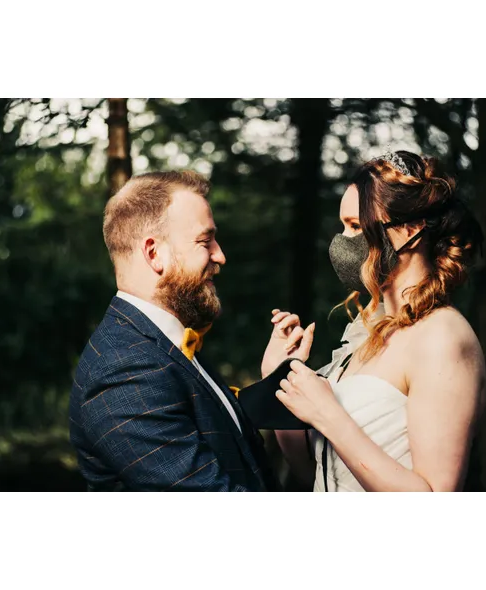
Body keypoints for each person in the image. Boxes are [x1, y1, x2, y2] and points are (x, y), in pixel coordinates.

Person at [69, 170, 313, 491]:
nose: (220, 256)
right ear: (154, 253)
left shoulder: (163, 343)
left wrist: (275, 377)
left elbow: (220, 428)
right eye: (205, 241)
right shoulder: (123, 371)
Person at [275, 150, 486, 492]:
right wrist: (280, 377)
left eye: (355, 227)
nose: (342, 242)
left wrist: (329, 414)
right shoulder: (367, 333)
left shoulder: (441, 337)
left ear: (410, 229)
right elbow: (314, 472)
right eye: (343, 226)